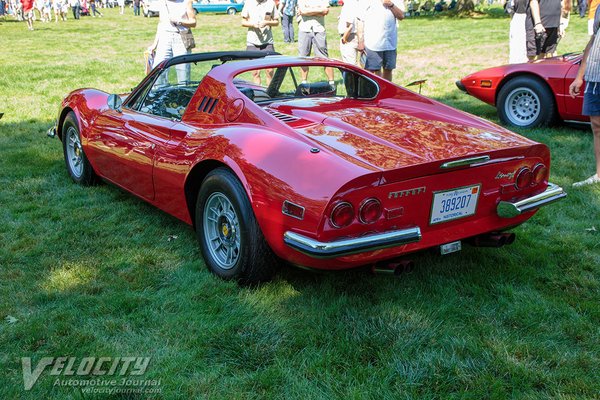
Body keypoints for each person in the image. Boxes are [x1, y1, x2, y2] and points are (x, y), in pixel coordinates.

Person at [568, 6, 600, 187]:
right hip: (595, 76)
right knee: (597, 126)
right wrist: (579, 76)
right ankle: (599, 174)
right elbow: (593, 40)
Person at [148, 0, 197, 83]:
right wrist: (155, 44)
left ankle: (183, 92)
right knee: (159, 68)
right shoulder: (163, 2)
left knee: (182, 70)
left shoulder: (186, 2)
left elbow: (193, 22)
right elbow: (161, 23)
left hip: (180, 38)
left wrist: (179, 21)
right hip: (165, 37)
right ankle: (160, 92)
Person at [357, 0, 405, 82]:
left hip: (390, 42)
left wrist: (391, 5)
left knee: (388, 69)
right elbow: (360, 21)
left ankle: (386, 91)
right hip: (373, 42)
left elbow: (401, 16)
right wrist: (360, 41)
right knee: (373, 70)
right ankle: (375, 92)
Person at [241, 0, 280, 85]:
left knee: (269, 71)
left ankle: (270, 94)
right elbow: (243, 22)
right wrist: (252, 24)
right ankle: (258, 95)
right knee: (255, 72)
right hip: (252, 41)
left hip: (267, 41)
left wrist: (267, 22)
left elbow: (276, 22)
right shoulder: (248, 3)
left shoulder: (271, 3)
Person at [297, 0, 334, 84]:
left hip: (319, 29)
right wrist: (318, 11)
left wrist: (309, 11)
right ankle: (304, 83)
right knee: (303, 57)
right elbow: (303, 11)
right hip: (304, 29)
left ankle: (331, 83)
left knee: (324, 57)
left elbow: (325, 11)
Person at [338, 0, 359, 65]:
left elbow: (350, 25)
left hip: (349, 37)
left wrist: (344, 38)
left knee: (350, 65)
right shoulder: (351, 3)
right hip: (350, 36)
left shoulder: (349, 3)